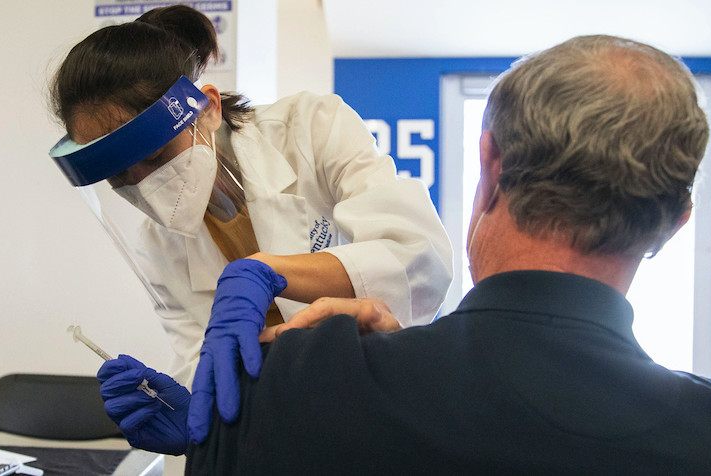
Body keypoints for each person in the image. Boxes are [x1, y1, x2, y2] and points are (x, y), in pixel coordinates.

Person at [101, 34, 711, 474]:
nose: (143, 187)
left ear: (488, 167)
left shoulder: (301, 386)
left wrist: (217, 435)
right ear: (674, 223)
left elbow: (415, 266)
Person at [47, 5, 452, 451]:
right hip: (281, 432)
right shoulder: (156, 246)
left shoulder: (312, 129)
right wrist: (192, 412)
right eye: (121, 176)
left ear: (208, 110)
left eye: (157, 156)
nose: (146, 184)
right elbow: (202, 367)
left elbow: (418, 256)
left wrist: (268, 271)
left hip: (381, 401)